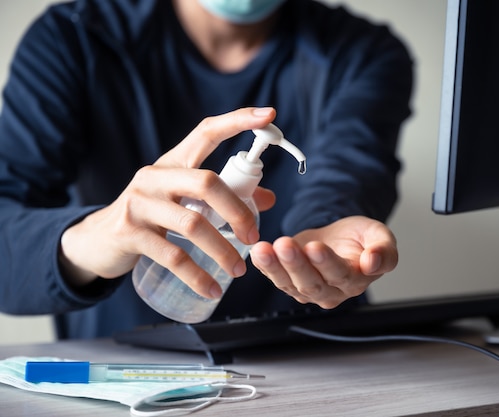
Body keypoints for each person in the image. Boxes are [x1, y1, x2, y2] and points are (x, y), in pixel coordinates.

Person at [0, 0, 414, 339]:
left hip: (309, 355)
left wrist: (324, 238)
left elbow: (346, 175)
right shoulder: (74, 36)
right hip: (127, 365)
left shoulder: (363, 53)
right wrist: (97, 234)